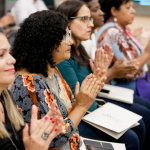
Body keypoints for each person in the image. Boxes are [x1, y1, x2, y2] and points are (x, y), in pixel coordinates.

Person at [56, 1, 150, 150]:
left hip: (92, 106)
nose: (91, 25)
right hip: (80, 114)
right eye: (84, 19)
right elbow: (78, 99)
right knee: (132, 135)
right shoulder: (65, 56)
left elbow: (91, 89)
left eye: (90, 19)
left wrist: (100, 74)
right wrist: (104, 74)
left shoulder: (80, 49)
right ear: (66, 22)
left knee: (140, 122)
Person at [11, 10, 106, 150]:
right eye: (66, 36)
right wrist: (81, 106)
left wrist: (83, 98)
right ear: (47, 41)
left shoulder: (51, 68)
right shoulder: (30, 84)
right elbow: (55, 140)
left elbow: (63, 115)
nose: (71, 42)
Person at [0, 28, 63, 150]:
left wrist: (37, 135)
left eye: (9, 52)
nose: (12, 60)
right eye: (1, 55)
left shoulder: (5, 96)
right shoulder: (31, 81)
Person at [97, 0, 150, 101]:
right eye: (128, 7)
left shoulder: (123, 29)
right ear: (114, 11)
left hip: (135, 84)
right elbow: (129, 69)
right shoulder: (112, 33)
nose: (133, 11)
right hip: (126, 88)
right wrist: (148, 52)